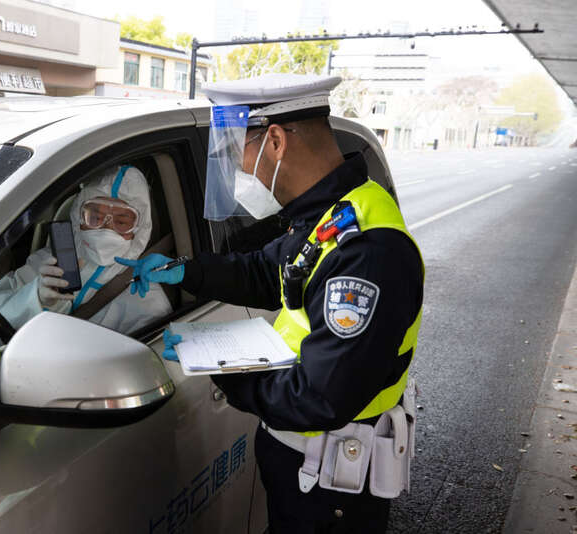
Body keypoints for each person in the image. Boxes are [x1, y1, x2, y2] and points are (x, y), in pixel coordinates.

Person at [119, 74, 424, 533]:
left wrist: (222, 371)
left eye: (241, 151)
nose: (241, 172)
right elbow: (272, 272)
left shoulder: (367, 252)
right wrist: (188, 270)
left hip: (332, 484)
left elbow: (317, 397)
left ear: (276, 141)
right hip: (306, 468)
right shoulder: (330, 212)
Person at [0, 165, 172, 334]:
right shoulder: (48, 262)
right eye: (95, 217)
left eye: (121, 222)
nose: (106, 231)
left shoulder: (146, 298)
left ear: (139, 230)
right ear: (79, 216)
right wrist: (33, 297)